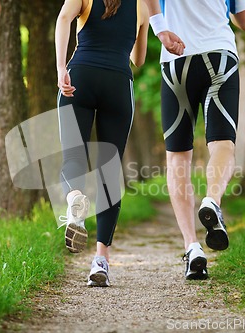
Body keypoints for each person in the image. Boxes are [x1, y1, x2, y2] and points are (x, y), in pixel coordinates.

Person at [146, 0, 245, 280]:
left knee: (178, 156)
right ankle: (212, 201)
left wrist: (160, 29)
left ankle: (192, 247)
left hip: (174, 58)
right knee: (222, 144)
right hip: (219, 55)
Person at [55, 0, 149, 287]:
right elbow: (139, 59)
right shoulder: (144, 6)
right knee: (108, 172)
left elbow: (63, 19)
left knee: (73, 157)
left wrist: (61, 68)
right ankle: (101, 261)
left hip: (79, 77)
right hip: (118, 83)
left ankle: (75, 204)